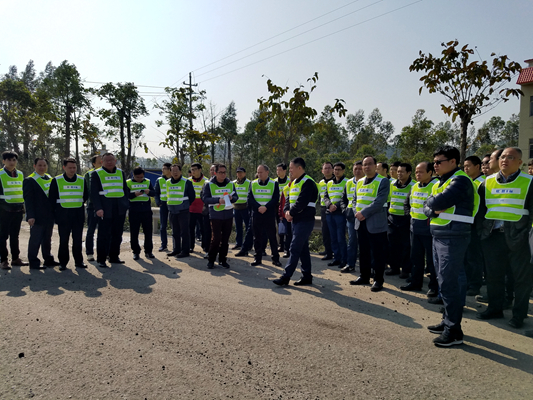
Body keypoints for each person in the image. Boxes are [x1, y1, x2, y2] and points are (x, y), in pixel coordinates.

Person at [424, 146, 476, 347]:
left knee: (449, 282)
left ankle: (454, 331)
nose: (435, 165)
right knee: (443, 280)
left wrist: (432, 206)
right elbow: (427, 206)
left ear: (453, 161)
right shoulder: (442, 182)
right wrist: (433, 208)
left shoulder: (460, 181)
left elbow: (435, 202)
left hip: (453, 236)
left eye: (439, 162)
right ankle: (447, 321)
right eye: (434, 162)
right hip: (440, 235)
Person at [476, 147, 533, 329]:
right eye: (502, 157)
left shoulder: (529, 182)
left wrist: (526, 234)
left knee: (521, 279)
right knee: (494, 276)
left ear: (520, 162)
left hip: (519, 237)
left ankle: (519, 315)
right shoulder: (487, 183)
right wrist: (481, 232)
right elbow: (480, 211)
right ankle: (495, 308)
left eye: (510, 157)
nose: (505, 160)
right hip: (492, 236)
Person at [273, 157, 318, 286]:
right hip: (295, 220)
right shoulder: (293, 183)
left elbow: (301, 202)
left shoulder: (308, 182)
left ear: (299, 168)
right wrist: (287, 211)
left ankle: (286, 277)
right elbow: (288, 199)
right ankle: (307, 276)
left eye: (291, 168)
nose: (290, 171)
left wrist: (290, 213)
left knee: (294, 248)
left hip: (305, 220)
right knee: (303, 249)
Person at [349, 156, 390, 292]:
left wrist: (363, 213)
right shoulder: (359, 182)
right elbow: (354, 200)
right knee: (364, 251)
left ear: (375, 166)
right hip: (360, 222)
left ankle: (378, 280)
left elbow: (379, 202)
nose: (366, 167)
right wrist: (356, 213)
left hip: (376, 223)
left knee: (378, 253)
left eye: (369, 164)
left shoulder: (383, 181)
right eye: (364, 164)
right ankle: (364, 276)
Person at [401, 162, 438, 295]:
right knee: (415, 258)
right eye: (416, 172)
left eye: (421, 172)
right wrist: (409, 216)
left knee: (432, 260)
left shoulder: (436, 186)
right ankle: (416, 283)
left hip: (429, 229)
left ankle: (434, 287)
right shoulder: (414, 186)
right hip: (415, 227)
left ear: (430, 172)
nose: (418, 174)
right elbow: (407, 203)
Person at [49, 157, 89, 271]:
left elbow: (85, 195)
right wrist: (55, 215)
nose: (72, 170)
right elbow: (52, 198)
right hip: (63, 214)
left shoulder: (81, 180)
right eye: (70, 168)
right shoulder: (57, 180)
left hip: (78, 214)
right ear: (64, 167)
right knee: (64, 240)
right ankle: (63, 262)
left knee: (77, 240)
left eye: (74, 168)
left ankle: (79, 261)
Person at [90, 152, 130, 268]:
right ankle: (101, 259)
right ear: (102, 162)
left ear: (115, 161)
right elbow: (94, 193)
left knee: (117, 234)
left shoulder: (121, 173)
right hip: (104, 208)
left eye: (111, 160)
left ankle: (114, 256)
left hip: (119, 208)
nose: (109, 162)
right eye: (106, 160)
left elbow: (125, 189)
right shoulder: (96, 174)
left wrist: (126, 203)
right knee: (104, 235)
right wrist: (98, 208)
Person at [23, 157, 59, 269]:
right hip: (37, 215)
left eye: (44, 165)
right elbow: (28, 200)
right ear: (34, 166)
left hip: (49, 214)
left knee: (47, 238)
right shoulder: (29, 180)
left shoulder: (50, 178)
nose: (42, 168)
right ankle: (33, 262)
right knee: (36, 239)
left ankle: (48, 259)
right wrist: (30, 215)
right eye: (39, 165)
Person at [202, 164, 238, 269]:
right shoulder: (208, 184)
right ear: (215, 173)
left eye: (224, 172)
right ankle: (211, 259)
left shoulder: (230, 184)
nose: (223, 174)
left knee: (225, 239)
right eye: (220, 172)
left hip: (228, 214)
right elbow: (205, 198)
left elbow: (236, 197)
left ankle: (223, 259)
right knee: (216, 238)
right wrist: (218, 200)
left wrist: (232, 198)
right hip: (215, 215)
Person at [248, 164, 281, 267]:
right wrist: (259, 207)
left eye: (261, 172)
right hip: (257, 213)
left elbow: (276, 198)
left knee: (272, 237)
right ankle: (257, 258)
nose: (259, 174)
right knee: (257, 237)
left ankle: (275, 258)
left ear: (267, 172)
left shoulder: (274, 183)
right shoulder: (253, 183)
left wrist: (266, 207)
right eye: (258, 172)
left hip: (269, 213)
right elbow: (250, 198)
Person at [0, 151, 28, 269]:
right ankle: (3, 260)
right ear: (3, 161)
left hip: (17, 210)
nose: (12, 162)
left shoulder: (20, 174)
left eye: (14, 160)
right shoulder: (0, 174)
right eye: (9, 160)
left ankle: (16, 258)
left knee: (15, 235)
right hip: (3, 209)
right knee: (2, 236)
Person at [386, 162, 414, 278]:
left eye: (402, 172)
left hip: (406, 219)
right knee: (393, 245)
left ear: (409, 172)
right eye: (398, 171)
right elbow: (388, 200)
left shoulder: (414, 185)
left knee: (406, 246)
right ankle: (394, 268)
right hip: (392, 219)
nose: (399, 174)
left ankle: (406, 270)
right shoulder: (391, 184)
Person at [463, 155, 485, 296]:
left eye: (468, 166)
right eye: (464, 166)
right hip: (466, 223)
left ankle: (474, 285)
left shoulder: (483, 182)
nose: (466, 169)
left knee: (474, 257)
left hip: (477, 225)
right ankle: (467, 282)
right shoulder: (467, 181)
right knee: (466, 256)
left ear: (477, 166)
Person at [167, 164, 195, 258]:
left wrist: (185, 205)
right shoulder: (167, 182)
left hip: (183, 210)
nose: (175, 172)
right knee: (175, 232)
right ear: (170, 172)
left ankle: (185, 251)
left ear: (181, 171)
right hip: (172, 210)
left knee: (184, 232)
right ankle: (176, 249)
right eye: (173, 171)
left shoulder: (186, 182)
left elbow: (192, 196)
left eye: (177, 170)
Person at [127, 167, 156, 260]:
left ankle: (148, 251)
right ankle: (136, 251)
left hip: (146, 210)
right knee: (134, 232)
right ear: (133, 175)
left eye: (141, 177)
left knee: (148, 232)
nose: (139, 179)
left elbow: (154, 193)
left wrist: (149, 192)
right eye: (137, 177)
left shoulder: (147, 181)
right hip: (134, 210)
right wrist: (134, 194)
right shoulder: (128, 182)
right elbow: (125, 195)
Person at [323, 162, 348, 268]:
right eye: (335, 169)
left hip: (340, 214)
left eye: (339, 169)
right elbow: (325, 197)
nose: (337, 171)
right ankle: (336, 258)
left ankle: (343, 259)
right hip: (330, 213)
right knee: (333, 237)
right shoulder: (329, 183)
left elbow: (346, 197)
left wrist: (336, 206)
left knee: (340, 238)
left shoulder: (347, 182)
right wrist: (329, 205)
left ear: (343, 171)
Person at [339, 162, 362, 273]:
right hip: (351, 217)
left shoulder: (367, 182)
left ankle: (369, 268)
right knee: (352, 242)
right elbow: (343, 199)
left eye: (360, 169)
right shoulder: (348, 182)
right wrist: (345, 210)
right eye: (355, 168)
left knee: (366, 244)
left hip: (364, 217)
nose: (357, 171)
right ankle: (350, 265)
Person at [188, 162, 210, 254]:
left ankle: (205, 246)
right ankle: (190, 246)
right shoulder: (188, 181)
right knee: (190, 229)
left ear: (200, 170)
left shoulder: (206, 181)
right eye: (192, 170)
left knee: (203, 229)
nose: (193, 171)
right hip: (191, 208)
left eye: (195, 169)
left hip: (202, 209)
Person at [84, 154, 102, 261]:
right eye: (99, 162)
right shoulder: (89, 174)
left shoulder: (107, 173)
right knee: (91, 230)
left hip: (105, 206)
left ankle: (104, 252)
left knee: (104, 231)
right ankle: (89, 253)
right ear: (94, 164)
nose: (102, 164)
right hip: (92, 206)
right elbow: (88, 190)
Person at [317, 162, 334, 260]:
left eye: (329, 168)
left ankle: (335, 252)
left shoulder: (336, 180)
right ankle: (328, 251)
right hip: (324, 208)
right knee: (325, 231)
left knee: (334, 232)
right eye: (325, 168)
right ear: (322, 171)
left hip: (335, 209)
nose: (327, 170)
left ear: (332, 170)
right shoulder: (321, 183)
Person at [232, 167, 250, 250]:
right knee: (238, 227)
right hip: (236, 208)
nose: (239, 174)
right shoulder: (233, 183)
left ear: (245, 173)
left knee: (248, 227)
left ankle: (248, 244)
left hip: (246, 208)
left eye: (241, 172)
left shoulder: (249, 183)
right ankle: (238, 243)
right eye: (238, 172)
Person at [154, 162, 171, 252]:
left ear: (169, 170)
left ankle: (177, 246)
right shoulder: (159, 180)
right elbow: (156, 192)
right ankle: (163, 245)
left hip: (173, 204)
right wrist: (158, 202)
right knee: (163, 226)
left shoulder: (175, 179)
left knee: (174, 226)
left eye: (164, 168)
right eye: (162, 168)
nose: (162, 170)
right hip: (163, 204)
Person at [274, 163, 289, 253]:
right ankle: (281, 245)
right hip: (277, 207)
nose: (278, 172)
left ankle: (287, 246)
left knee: (288, 227)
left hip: (287, 206)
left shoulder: (290, 181)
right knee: (280, 226)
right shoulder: (274, 181)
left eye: (280, 170)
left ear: (285, 171)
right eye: (277, 170)